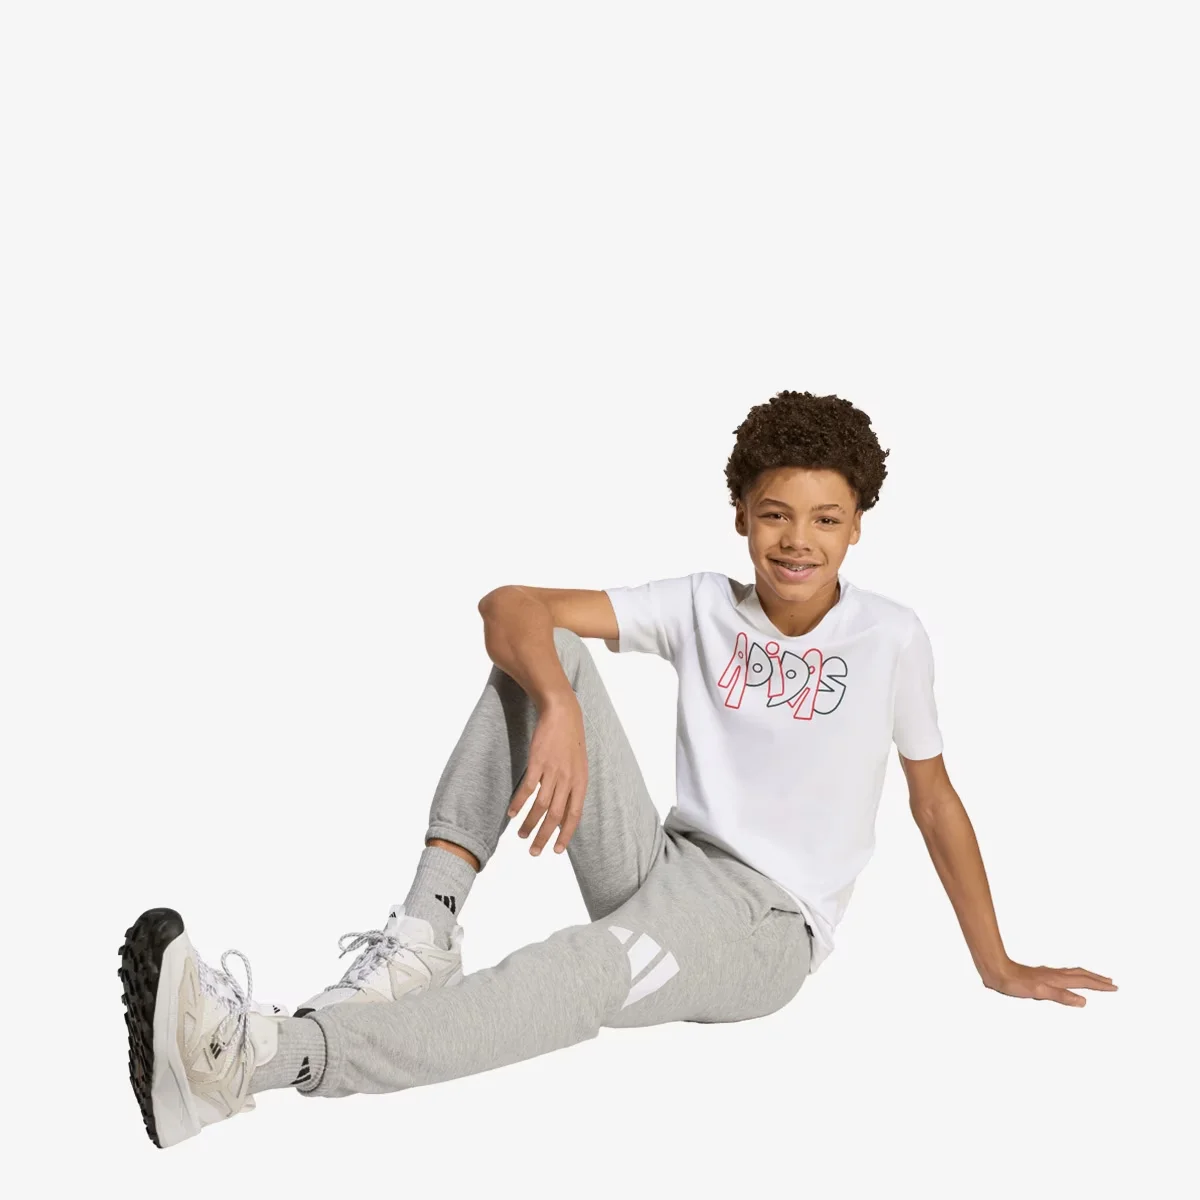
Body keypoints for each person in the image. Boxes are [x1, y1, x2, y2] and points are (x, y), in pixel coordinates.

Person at [118, 389, 1117, 1149]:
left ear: (858, 525)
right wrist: (558, 704)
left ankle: (255, 1060)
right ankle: (425, 934)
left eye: (825, 518)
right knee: (546, 649)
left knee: (580, 972)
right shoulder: (701, 605)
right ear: (741, 515)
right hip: (662, 862)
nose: (798, 540)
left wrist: (996, 963)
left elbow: (934, 802)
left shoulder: (892, 637)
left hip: (766, 926)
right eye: (776, 514)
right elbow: (509, 604)